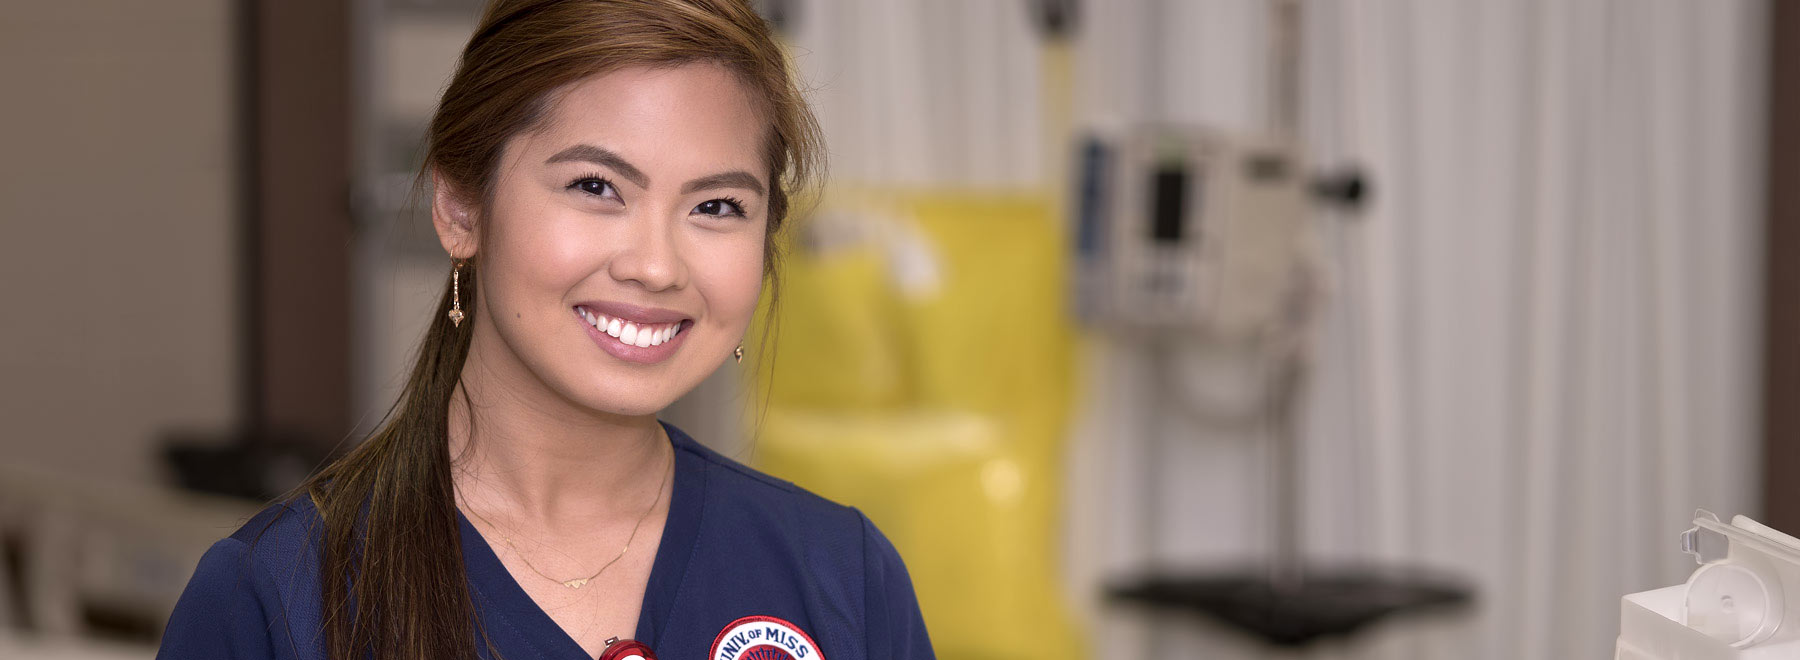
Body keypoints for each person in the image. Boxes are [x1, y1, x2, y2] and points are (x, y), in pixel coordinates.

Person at [154, 1, 932, 658]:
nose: (657, 266)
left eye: (716, 207)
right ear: (461, 207)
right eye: (596, 186)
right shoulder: (282, 594)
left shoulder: (842, 578)